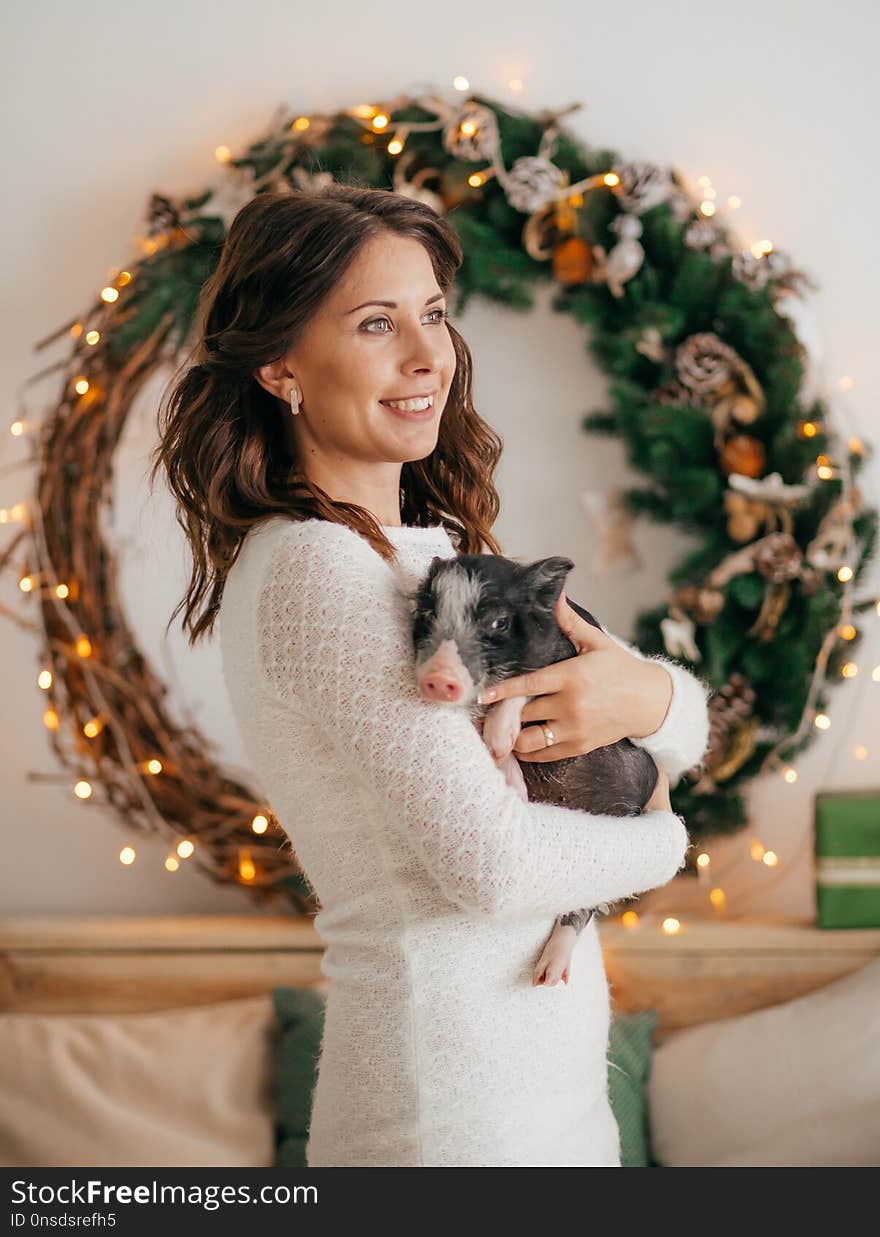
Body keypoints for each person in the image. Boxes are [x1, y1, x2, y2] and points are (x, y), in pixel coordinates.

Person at [151, 183, 711, 1167]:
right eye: (376, 323)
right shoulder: (321, 568)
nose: (428, 357)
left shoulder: (425, 556)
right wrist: (666, 838)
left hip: (543, 1113)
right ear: (280, 364)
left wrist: (654, 698)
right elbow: (494, 871)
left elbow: (636, 716)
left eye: (435, 315)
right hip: (449, 1131)